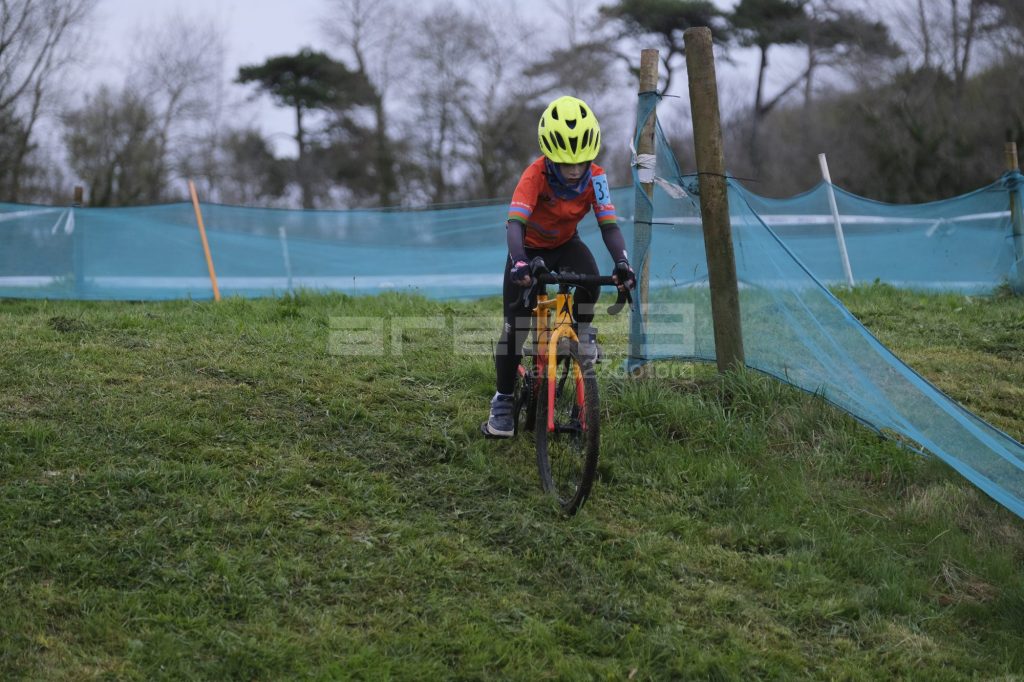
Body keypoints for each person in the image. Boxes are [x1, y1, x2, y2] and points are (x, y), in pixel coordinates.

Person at [481, 95, 636, 439]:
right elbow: (515, 224)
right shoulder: (534, 175)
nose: (575, 170)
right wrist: (519, 262)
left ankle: (580, 332)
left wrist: (622, 262)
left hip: (566, 245)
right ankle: (503, 400)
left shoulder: (597, 178)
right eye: (566, 163)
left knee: (590, 279)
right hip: (528, 248)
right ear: (550, 156)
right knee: (515, 328)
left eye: (581, 162)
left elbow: (609, 227)